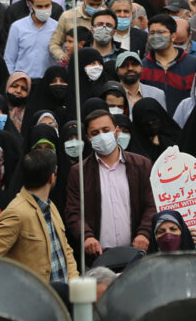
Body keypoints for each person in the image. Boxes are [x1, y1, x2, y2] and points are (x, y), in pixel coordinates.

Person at [64, 109, 156, 261]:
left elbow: (151, 204)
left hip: (137, 254)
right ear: (88, 138)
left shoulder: (142, 165)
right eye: (95, 133)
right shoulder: (78, 172)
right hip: (99, 257)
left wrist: (144, 233)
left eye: (106, 130)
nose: (101, 136)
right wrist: (86, 236)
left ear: (117, 131)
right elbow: (73, 212)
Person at [0, 147, 79, 283]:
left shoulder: (50, 206)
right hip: (33, 300)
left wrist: (74, 285)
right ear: (52, 177)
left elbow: (65, 250)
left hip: (62, 299)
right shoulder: (16, 213)